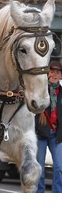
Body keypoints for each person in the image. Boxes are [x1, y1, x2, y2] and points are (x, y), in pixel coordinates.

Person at [35, 60, 62, 193]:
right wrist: (39, 110)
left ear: (61, 76)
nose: (54, 74)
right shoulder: (39, 90)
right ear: (47, 73)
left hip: (56, 135)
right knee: (39, 168)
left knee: (59, 166)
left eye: (57, 72)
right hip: (40, 134)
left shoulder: (61, 92)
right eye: (52, 71)